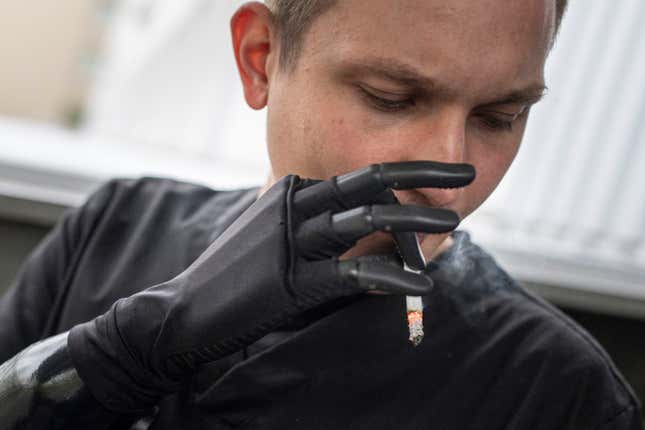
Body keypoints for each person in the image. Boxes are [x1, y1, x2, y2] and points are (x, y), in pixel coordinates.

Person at [0, 0, 642, 429]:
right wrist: (133, 347)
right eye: (391, 98)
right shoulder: (114, 227)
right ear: (261, 58)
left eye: (500, 116)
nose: (450, 179)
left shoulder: (557, 394)